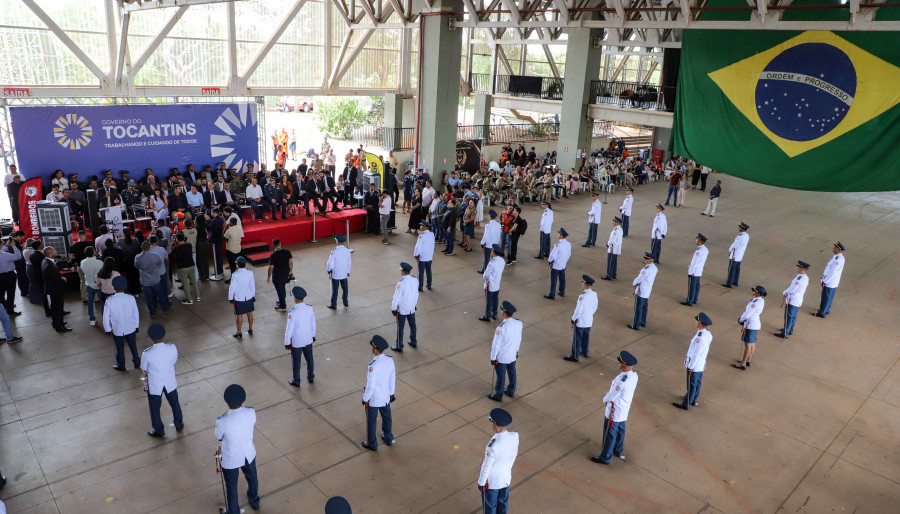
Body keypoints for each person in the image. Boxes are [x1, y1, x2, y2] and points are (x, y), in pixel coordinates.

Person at [216, 384, 260, 514]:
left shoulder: (222, 421)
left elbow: (219, 436)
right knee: (252, 478)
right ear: (242, 401)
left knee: (231, 485)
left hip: (231, 458)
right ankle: (254, 501)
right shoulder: (251, 412)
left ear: (227, 404)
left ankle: (233, 511)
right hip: (248, 454)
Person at [590, 351, 639, 465]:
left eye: (620, 362)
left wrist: (604, 400)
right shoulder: (633, 376)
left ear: (625, 365)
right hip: (624, 408)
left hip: (614, 410)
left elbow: (612, 395)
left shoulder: (621, 382)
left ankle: (605, 457)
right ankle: (618, 450)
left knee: (609, 433)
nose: (618, 363)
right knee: (621, 430)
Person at [141, 323, 184, 437]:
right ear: (163, 335)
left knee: (155, 408)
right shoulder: (172, 347)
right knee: (175, 403)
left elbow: (144, 368)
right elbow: (174, 360)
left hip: (155, 384)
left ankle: (159, 430)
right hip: (170, 381)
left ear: (151, 338)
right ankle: (178, 423)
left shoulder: (147, 353)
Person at [478, 408, 519, 514]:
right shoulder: (515, 436)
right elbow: (513, 456)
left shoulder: (492, 446)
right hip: (505, 477)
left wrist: (481, 482)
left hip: (492, 482)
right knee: (503, 504)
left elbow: (486, 467)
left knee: (490, 506)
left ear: (495, 425)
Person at [360, 335, 396, 451]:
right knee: (387, 418)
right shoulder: (390, 360)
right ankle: (388, 437)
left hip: (374, 399)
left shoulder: (373, 366)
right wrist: (391, 393)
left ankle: (372, 443)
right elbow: (392, 378)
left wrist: (365, 398)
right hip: (385, 396)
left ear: (375, 350)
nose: (371, 348)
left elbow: (371, 386)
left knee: (372, 421)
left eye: (372, 347)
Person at [672, 312, 713, 410]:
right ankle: (693, 399)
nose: (696, 323)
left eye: (697, 322)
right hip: (701, 364)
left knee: (692, 384)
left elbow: (696, 354)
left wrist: (690, 367)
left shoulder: (700, 338)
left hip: (695, 365)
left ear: (701, 324)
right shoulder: (707, 334)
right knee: (697, 383)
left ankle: (686, 403)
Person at [487, 301, 522, 402]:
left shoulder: (501, 328)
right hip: (512, 354)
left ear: (503, 312)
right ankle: (511, 390)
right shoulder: (519, 323)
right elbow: (519, 338)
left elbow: (495, 345)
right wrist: (516, 351)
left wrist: (493, 358)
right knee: (512, 372)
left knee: (501, 376)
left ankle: (498, 395)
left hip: (502, 357)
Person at [103, 276, 140, 370]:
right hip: (130, 327)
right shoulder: (131, 298)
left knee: (119, 348)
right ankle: (137, 362)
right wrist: (136, 326)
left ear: (113, 288)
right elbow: (135, 313)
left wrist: (107, 329)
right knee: (133, 346)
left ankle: (121, 365)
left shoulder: (110, 300)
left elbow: (106, 316)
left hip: (117, 329)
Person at [284, 286, 315, 387]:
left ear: (295, 299)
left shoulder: (293, 312)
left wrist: (287, 342)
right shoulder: (309, 308)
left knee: (296, 362)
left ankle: (297, 381)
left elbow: (289, 329)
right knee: (309, 359)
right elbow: (313, 323)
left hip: (297, 341)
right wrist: (313, 335)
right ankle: (311, 377)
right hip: (308, 339)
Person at [564, 275, 598, 362]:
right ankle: (584, 352)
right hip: (589, 320)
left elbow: (578, 310)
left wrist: (573, 318)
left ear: (586, 285)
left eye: (582, 282)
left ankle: (575, 356)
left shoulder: (582, 296)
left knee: (577, 338)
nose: (582, 283)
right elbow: (595, 307)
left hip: (581, 321)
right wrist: (589, 314)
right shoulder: (594, 294)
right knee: (586, 337)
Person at [134, 241, 170, 318]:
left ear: (141, 247)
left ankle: (152, 313)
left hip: (145, 281)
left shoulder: (138, 257)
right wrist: (155, 269)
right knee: (161, 295)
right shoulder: (155, 256)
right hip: (156, 280)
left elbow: (137, 266)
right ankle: (165, 309)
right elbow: (160, 263)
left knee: (149, 297)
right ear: (149, 247)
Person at [734, 286, 766, 370]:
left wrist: (741, 320)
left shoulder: (754, 303)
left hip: (750, 324)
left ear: (758, 293)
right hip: (755, 324)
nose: (752, 292)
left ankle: (743, 363)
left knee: (747, 345)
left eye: (754, 291)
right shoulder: (761, 300)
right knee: (752, 344)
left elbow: (748, 314)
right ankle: (748, 360)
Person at [776, 260, 810, 339]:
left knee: (789, 316)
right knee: (793, 316)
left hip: (793, 299)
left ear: (802, 268)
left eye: (798, 267)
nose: (797, 268)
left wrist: (785, 292)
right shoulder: (804, 277)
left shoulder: (800, 279)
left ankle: (785, 333)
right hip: (797, 299)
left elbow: (792, 289)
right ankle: (789, 329)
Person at [390, 262, 419, 352]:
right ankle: (413, 341)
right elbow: (416, 294)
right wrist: (414, 305)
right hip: (411, 308)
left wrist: (393, 308)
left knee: (400, 328)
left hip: (402, 309)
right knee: (412, 325)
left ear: (403, 272)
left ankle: (399, 346)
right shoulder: (415, 280)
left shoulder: (401, 282)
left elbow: (396, 297)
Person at [42, 247, 71, 333]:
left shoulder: (45, 261)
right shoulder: (50, 266)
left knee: (55, 307)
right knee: (58, 308)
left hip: (52, 289)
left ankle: (57, 322)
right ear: (50, 254)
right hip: (55, 290)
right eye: (54, 250)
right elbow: (54, 280)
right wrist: (63, 279)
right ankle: (59, 326)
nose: (56, 251)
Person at [628, 252, 658, 330]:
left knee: (638, 307)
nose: (645, 260)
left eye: (646, 259)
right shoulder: (654, 268)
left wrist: (634, 284)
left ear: (650, 261)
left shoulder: (645, 270)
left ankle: (636, 325)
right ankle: (642, 321)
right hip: (647, 290)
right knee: (644, 306)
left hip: (642, 290)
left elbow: (639, 279)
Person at [815, 242, 845, 318]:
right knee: (829, 297)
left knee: (826, 297)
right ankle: (826, 310)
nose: (833, 248)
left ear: (839, 249)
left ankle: (822, 313)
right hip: (832, 281)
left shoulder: (837, 260)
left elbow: (832, 272)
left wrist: (825, 281)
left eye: (835, 248)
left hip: (830, 281)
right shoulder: (838, 257)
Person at [228, 257, 255, 338]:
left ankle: (239, 332)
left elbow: (232, 287)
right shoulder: (250, 272)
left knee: (239, 315)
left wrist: (230, 298)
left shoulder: (235, 275)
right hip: (249, 296)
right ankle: (250, 329)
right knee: (250, 313)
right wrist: (253, 295)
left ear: (237, 265)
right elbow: (252, 285)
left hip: (239, 298)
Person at [543, 228, 572, 299]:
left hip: (556, 265)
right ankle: (562, 291)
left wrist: (550, 261)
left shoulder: (558, 244)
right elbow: (569, 254)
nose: (558, 235)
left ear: (561, 235)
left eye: (559, 234)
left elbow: (552, 255)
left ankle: (552, 294)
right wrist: (565, 261)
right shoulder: (568, 243)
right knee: (562, 278)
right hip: (563, 264)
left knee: (554, 279)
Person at [170, 233, 199, 304]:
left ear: (176, 239)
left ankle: (190, 300)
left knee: (185, 284)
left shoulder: (176, 248)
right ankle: (198, 297)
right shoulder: (189, 245)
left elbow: (170, 255)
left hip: (182, 268)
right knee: (194, 282)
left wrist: (172, 244)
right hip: (191, 266)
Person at [479, 244, 505, 322]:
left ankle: (487, 316)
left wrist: (484, 278)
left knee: (488, 300)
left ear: (494, 252)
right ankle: (494, 313)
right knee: (495, 298)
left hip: (490, 284)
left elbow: (486, 274)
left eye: (492, 251)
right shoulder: (502, 261)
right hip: (497, 283)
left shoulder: (492, 263)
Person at [681, 234, 709, 306]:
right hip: (699, 271)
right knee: (696, 286)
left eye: (697, 240)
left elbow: (694, 263)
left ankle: (690, 301)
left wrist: (690, 272)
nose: (696, 241)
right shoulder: (705, 250)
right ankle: (694, 299)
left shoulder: (698, 251)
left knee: (692, 286)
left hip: (694, 271)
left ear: (700, 241)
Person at [326, 233, 352, 309]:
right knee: (345, 288)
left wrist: (328, 270)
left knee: (335, 290)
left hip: (336, 273)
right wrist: (347, 271)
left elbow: (329, 262)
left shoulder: (334, 251)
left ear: (337, 241)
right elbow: (349, 262)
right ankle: (345, 302)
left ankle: (333, 304)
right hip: (344, 273)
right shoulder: (347, 251)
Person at [268, 239, 293, 312]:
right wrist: (290, 271)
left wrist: (269, 276)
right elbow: (290, 263)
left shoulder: (273, 255)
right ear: (280, 244)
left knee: (280, 290)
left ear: (273, 245)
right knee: (282, 288)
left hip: (277, 277)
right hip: (286, 274)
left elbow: (271, 267)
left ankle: (283, 306)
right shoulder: (287, 252)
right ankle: (281, 301)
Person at [80, 246, 103, 326]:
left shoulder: (82, 262)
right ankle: (105, 317)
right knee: (102, 302)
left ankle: (92, 319)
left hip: (89, 284)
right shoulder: (100, 262)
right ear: (93, 252)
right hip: (99, 285)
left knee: (90, 302)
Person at [724, 222, 750, 288]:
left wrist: (729, 250)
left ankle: (729, 283)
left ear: (742, 229)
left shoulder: (739, 237)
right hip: (740, 255)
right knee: (737, 268)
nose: (739, 228)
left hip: (735, 254)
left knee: (731, 268)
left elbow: (734, 245)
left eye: (740, 227)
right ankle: (735, 281)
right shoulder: (747, 236)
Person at [0, 238, 21, 316]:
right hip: (8, 275)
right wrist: (13, 246)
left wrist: (6, 245)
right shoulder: (5, 255)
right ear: (1, 245)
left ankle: (3, 308)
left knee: (1, 294)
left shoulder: (4, 253)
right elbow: (18, 257)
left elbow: (2, 250)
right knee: (10, 293)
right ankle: (10, 310)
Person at [208, 209, 226, 280]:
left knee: (217, 256)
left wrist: (208, 220)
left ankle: (218, 271)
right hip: (219, 239)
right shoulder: (221, 218)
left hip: (215, 240)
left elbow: (210, 228)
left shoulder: (214, 221)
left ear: (214, 213)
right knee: (219, 255)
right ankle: (219, 270)